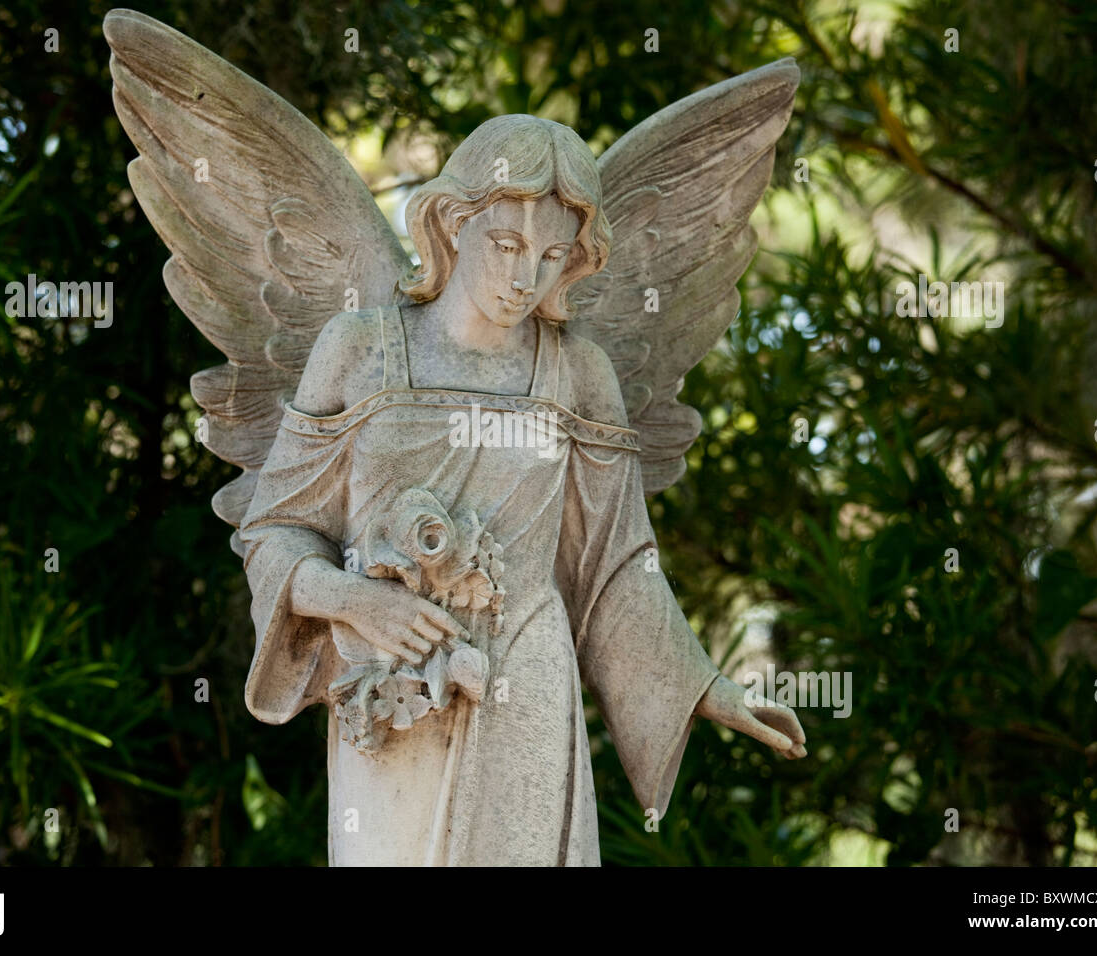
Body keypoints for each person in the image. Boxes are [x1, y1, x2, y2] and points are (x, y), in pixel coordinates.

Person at [237, 114, 806, 866]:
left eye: (550, 255)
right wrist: (355, 601)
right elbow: (272, 530)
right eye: (505, 246)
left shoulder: (579, 374)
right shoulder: (360, 348)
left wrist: (710, 688)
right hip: (390, 687)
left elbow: (617, 567)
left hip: (526, 678)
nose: (523, 277)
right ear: (451, 222)